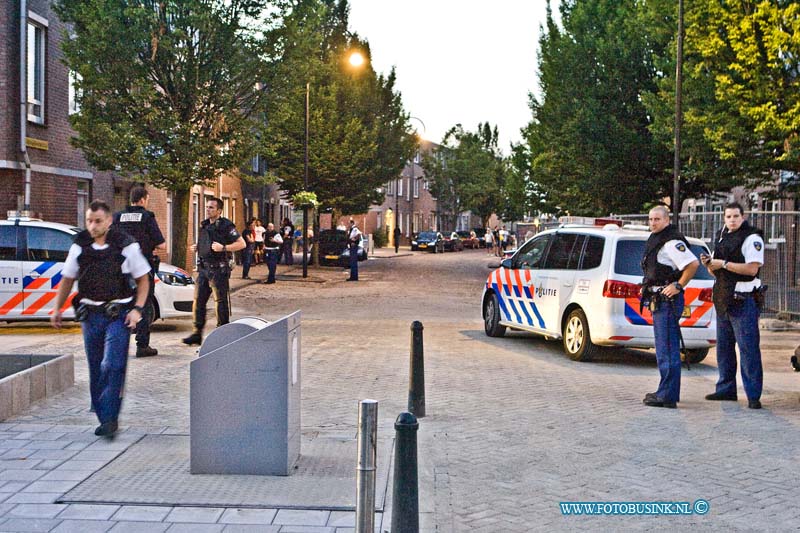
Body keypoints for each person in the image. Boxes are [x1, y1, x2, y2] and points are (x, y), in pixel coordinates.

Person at [51, 201, 151, 438]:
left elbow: (143, 279)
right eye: (89, 221)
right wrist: (57, 308)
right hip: (90, 315)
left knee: (113, 364)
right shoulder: (80, 246)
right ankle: (104, 414)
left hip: (119, 314)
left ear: (108, 221)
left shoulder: (125, 246)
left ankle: (109, 417)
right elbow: (67, 278)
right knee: (96, 367)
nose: (92, 226)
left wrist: (138, 309)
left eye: (97, 221)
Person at [701, 202, 765, 409]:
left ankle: (753, 396)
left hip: (743, 300)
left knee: (748, 350)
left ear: (743, 217)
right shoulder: (721, 236)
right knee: (724, 349)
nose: (732, 220)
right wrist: (710, 265)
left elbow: (752, 270)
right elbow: (716, 271)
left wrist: (724, 264)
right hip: (724, 298)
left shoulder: (752, 238)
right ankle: (726, 389)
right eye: (728, 216)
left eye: (736, 216)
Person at [640, 206, 699, 409]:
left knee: (667, 349)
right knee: (665, 348)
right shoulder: (657, 239)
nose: (653, 222)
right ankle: (666, 391)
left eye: (657, 219)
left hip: (667, 301)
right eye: (650, 219)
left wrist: (678, 285)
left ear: (666, 220)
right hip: (659, 299)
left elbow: (692, 264)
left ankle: (667, 395)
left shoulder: (672, 242)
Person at [182, 198, 245, 346]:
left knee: (220, 302)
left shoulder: (226, 225)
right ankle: (197, 333)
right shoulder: (204, 225)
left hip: (218, 269)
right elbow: (206, 243)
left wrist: (223, 248)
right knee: (198, 301)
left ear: (219, 211)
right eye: (207, 207)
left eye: (211, 208)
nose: (208, 209)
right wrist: (198, 247)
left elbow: (241, 244)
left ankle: (222, 335)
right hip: (204, 269)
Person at [112, 185, 166, 358]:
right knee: (143, 305)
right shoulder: (147, 217)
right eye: (147, 200)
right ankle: (142, 345)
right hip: (142, 268)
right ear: (143, 199)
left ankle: (118, 344)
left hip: (122, 269)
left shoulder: (118, 217)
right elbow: (161, 244)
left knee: (123, 304)